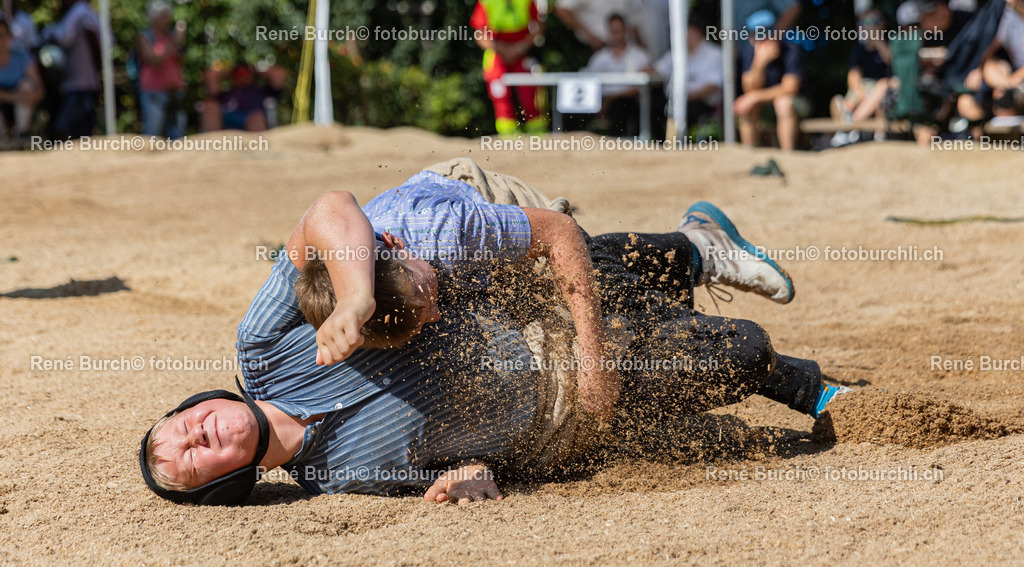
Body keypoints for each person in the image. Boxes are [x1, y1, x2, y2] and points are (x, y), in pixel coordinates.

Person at [138, 158, 850, 507]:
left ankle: (698, 250)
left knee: (596, 264)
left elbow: (326, 210)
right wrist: (471, 479)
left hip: (518, 303)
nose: (192, 432)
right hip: (558, 420)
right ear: (225, 485)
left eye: (179, 425)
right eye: (188, 458)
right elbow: (455, 473)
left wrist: (354, 299)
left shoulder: (261, 349)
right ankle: (806, 386)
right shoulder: (338, 482)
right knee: (735, 369)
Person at [471, 0, 547, 136]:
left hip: (522, 50)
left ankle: (537, 132)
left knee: (529, 90)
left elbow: (539, 27)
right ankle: (507, 134)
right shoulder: (486, 2)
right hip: (496, 52)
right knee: (499, 91)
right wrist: (500, 49)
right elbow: (479, 34)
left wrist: (519, 48)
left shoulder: (526, 1)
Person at [735, 9, 806, 150]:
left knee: (783, 103)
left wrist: (754, 97)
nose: (764, 40)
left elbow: (790, 88)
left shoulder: (791, 49)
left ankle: (788, 155)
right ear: (751, 38)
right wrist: (758, 65)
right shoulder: (750, 52)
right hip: (765, 104)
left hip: (797, 103)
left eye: (767, 34)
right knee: (746, 107)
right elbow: (748, 87)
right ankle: (749, 155)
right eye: (758, 36)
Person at [40, 0, 100, 139]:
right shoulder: (69, 16)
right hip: (70, 85)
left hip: (82, 85)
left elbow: (68, 38)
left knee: (66, 129)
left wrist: (97, 75)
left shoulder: (82, 12)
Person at [652, 17, 723, 133]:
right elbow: (657, 69)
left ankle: (682, 143)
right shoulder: (676, 53)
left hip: (701, 102)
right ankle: (661, 142)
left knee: (686, 110)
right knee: (652, 106)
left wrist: (688, 97)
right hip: (673, 100)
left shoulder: (715, 54)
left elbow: (714, 85)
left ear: (695, 31)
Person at [587, 13, 651, 136]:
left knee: (620, 107)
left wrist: (608, 101)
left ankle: (615, 146)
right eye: (613, 31)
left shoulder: (640, 56)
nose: (616, 36)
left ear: (626, 31)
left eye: (618, 31)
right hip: (601, 101)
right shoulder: (599, 58)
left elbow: (639, 89)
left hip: (626, 102)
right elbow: (589, 85)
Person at [137, 0, 186, 139]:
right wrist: (175, 41)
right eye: (164, 16)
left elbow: (180, 61)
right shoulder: (145, 36)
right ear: (154, 18)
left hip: (175, 91)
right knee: (152, 136)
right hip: (154, 94)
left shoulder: (169, 36)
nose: (168, 19)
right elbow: (154, 61)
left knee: (178, 138)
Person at [200, 62, 285, 132]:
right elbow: (210, 75)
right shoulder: (225, 93)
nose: (241, 76)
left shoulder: (261, 91)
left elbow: (279, 74)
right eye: (238, 73)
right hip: (225, 119)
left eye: (245, 73)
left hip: (251, 119)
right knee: (209, 106)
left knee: (257, 117)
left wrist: (255, 69)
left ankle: (259, 148)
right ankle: (211, 144)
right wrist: (230, 70)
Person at [0, 15, 43, 139]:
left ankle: (22, 135)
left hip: (22, 105)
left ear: (10, 37)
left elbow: (40, 90)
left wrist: (29, 97)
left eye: (1, 36)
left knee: (27, 85)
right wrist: (15, 97)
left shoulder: (23, 57)